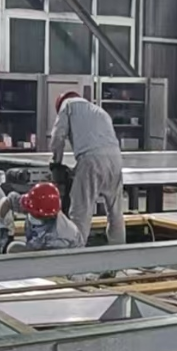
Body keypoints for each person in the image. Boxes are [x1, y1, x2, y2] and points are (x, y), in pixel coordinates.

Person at [50, 91, 126, 246]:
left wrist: (56, 162)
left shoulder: (67, 105)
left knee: (81, 212)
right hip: (116, 160)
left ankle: (77, 252)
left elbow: (58, 136)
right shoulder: (100, 111)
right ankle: (119, 251)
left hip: (91, 160)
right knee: (116, 213)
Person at [0, 182, 84, 253]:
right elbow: (8, 201)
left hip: (62, 262)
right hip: (38, 248)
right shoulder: (34, 204)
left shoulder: (59, 237)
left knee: (13, 249)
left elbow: (43, 261)